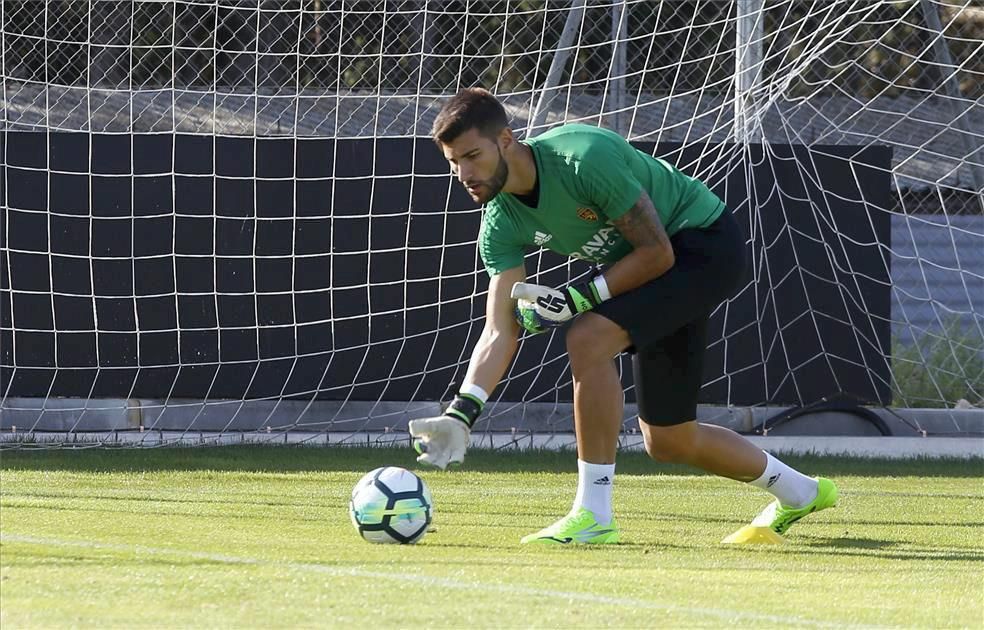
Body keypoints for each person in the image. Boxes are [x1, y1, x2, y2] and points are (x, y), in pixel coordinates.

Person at [409, 87, 837, 544]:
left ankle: (593, 514)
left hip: (703, 243)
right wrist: (462, 413)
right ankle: (802, 492)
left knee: (587, 336)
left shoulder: (584, 157)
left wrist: (579, 298)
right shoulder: (498, 222)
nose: (464, 173)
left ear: (507, 140)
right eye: (454, 162)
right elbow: (500, 327)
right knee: (670, 441)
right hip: (644, 268)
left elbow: (657, 252)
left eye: (472, 155)